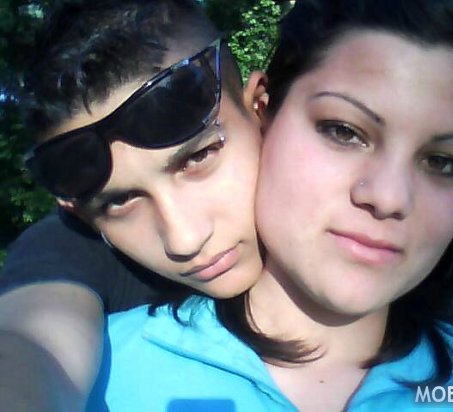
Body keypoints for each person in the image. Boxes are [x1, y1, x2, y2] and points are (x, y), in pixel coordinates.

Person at [93, 0, 453, 410]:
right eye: (344, 131)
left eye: (442, 162)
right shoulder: (92, 377)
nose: (389, 198)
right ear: (261, 111)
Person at [0, 0, 268, 410]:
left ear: (261, 109)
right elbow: (34, 349)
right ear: (80, 214)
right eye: (121, 201)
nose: (184, 240)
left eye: (198, 158)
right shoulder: (70, 248)